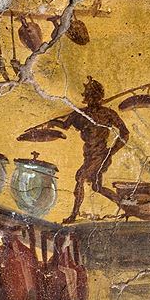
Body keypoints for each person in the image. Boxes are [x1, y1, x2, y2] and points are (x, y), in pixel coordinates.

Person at [52, 77, 129, 223]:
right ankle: (125, 206)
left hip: (101, 155)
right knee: (97, 187)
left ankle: (74, 215)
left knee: (80, 177)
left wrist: (112, 151)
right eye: (89, 96)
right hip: (89, 155)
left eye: (93, 96)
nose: (91, 99)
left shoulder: (107, 114)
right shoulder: (79, 114)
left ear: (98, 97)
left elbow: (125, 133)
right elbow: (65, 125)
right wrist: (52, 123)